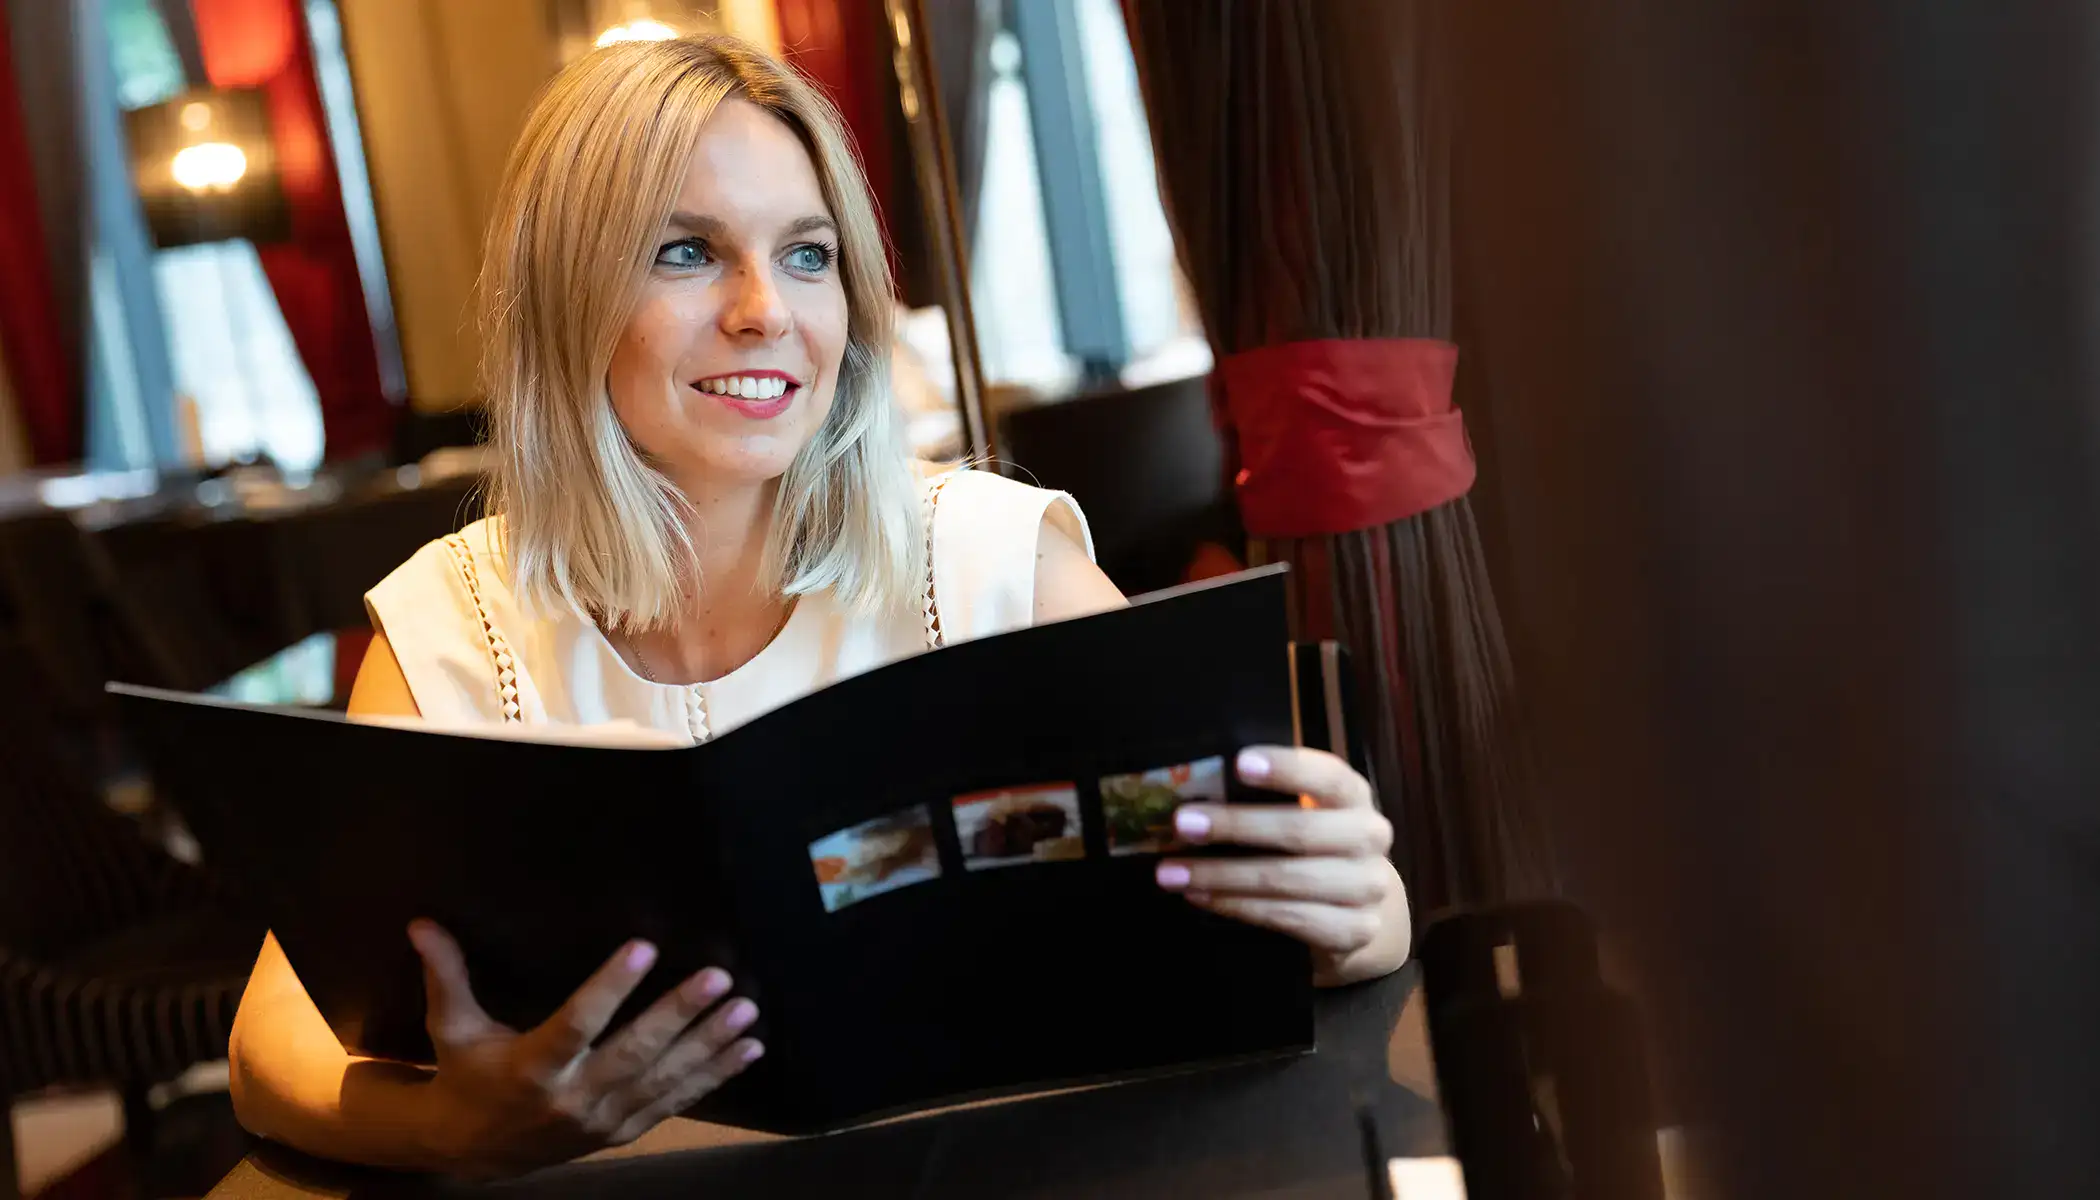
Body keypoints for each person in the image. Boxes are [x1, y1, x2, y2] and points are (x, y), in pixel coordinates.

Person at [225, 34, 1410, 1177]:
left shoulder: (990, 558)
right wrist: (449, 1129)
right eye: (685, 253)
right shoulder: (456, 621)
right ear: (564, 296)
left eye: (807, 253)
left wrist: (1361, 913)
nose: (766, 310)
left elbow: (1339, 915)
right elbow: (269, 1049)